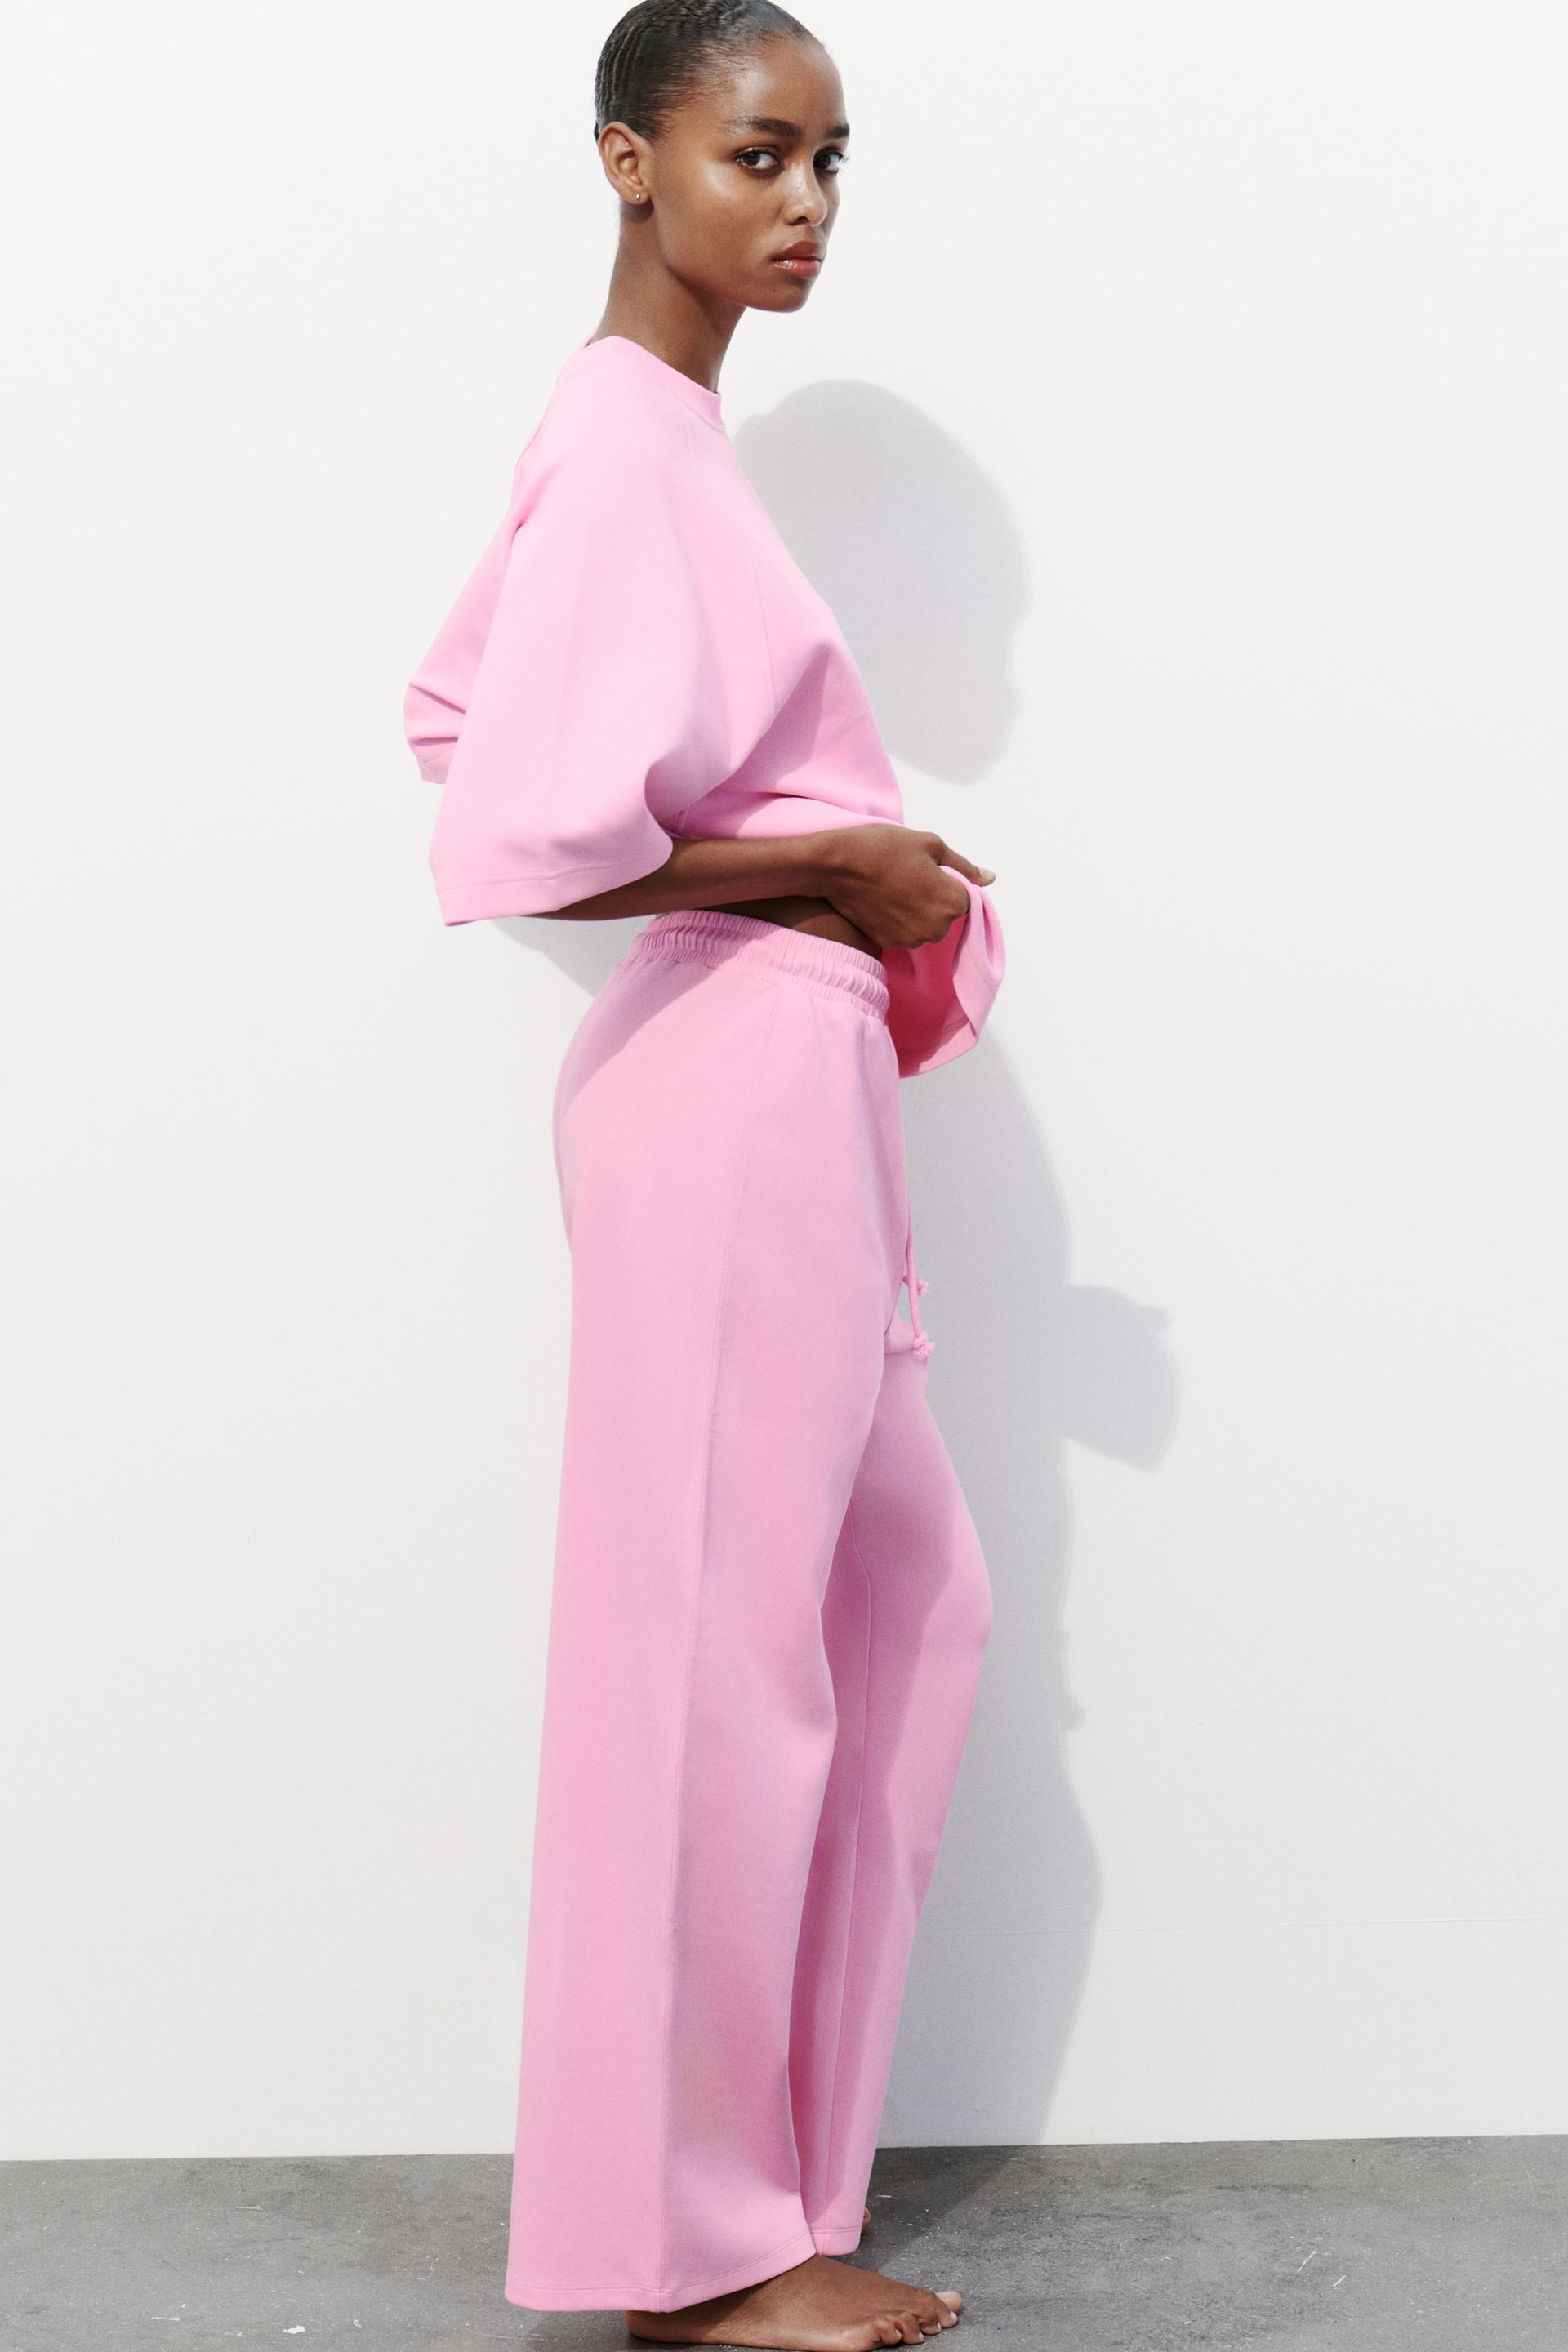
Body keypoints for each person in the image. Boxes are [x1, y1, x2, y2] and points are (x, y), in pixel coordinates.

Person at [402, 5, 1005, 2344]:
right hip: (732, 1090)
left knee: (903, 1611)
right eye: (760, 152)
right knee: (718, 1667)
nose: (808, 204)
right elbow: (516, 826)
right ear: (626, 160)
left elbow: (453, 704)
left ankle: (773, 2191)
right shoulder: (623, 439)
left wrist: (837, 878)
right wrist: (829, 865)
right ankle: (691, 2256)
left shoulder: (657, 441)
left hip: (779, 1083)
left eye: (836, 161)